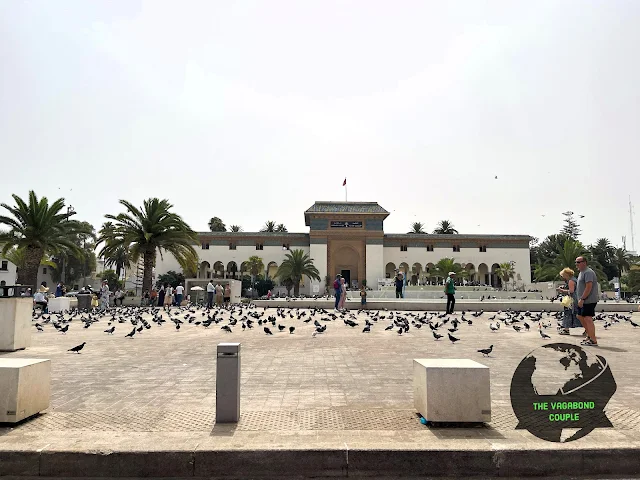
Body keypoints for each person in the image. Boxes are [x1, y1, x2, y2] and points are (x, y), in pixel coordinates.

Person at [575, 256, 599, 346]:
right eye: (576, 262)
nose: (576, 264)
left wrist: (582, 298)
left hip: (589, 300)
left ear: (584, 262)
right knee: (580, 316)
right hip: (583, 300)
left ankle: (593, 340)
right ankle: (589, 335)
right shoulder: (581, 272)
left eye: (578, 262)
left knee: (588, 318)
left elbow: (589, 287)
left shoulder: (588, 272)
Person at [557, 268, 581, 335]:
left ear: (566, 275)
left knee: (568, 314)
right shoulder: (574, 279)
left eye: (563, 275)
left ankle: (566, 329)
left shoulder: (571, 281)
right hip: (576, 299)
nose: (562, 277)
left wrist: (561, 290)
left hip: (572, 301)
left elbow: (571, 291)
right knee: (577, 315)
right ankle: (587, 329)